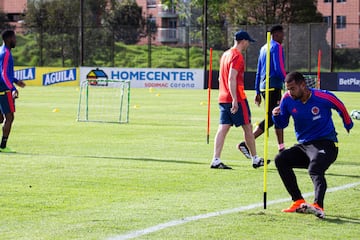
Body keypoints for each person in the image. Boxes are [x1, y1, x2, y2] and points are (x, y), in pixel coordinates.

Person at [272, 71, 353, 218]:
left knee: (314, 168)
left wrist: (348, 122)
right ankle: (297, 201)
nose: (289, 92)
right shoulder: (287, 99)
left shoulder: (322, 96)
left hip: (327, 144)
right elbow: (283, 123)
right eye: (287, 89)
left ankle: (318, 206)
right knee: (280, 159)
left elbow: (339, 105)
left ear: (303, 85)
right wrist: (276, 116)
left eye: (292, 88)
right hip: (304, 146)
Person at [210, 30, 266, 169]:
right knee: (247, 127)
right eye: (248, 42)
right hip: (237, 97)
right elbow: (231, 77)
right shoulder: (237, 56)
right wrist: (235, 99)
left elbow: (220, 78)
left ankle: (216, 159)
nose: (248, 44)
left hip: (223, 97)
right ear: (243, 41)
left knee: (223, 128)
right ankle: (255, 158)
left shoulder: (225, 54)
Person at [238, 25, 286, 159]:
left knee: (277, 115)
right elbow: (278, 68)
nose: (284, 37)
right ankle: (247, 143)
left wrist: (257, 91)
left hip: (265, 87)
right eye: (282, 34)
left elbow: (259, 71)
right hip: (273, 85)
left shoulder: (263, 48)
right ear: (276, 35)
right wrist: (287, 80)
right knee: (273, 117)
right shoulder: (276, 47)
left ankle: (282, 148)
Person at [0, 30, 26, 153]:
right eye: (14, 38)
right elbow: (4, 74)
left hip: (3, 87)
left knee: (0, 118)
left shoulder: (2, 51)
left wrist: (15, 80)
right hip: (4, 90)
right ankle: (3, 147)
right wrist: (12, 88)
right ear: (9, 39)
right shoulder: (6, 54)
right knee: (9, 117)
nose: (15, 40)